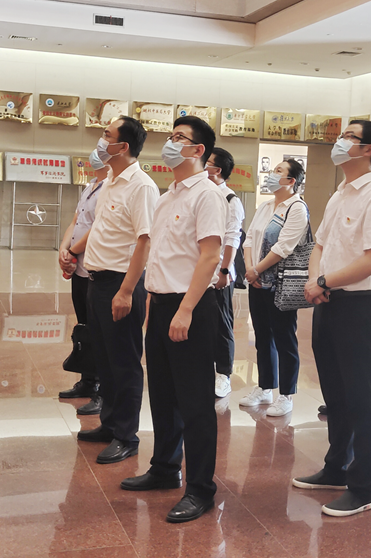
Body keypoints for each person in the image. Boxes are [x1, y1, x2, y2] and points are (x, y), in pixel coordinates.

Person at [121, 115, 226, 523]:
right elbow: (162, 257)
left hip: (191, 306)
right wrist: (153, 303)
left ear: (198, 150)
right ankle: (165, 467)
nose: (170, 142)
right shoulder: (167, 198)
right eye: (170, 135)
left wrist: (185, 309)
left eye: (179, 138)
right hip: (163, 304)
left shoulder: (207, 195)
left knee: (195, 402)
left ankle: (200, 489)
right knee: (163, 395)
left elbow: (210, 257)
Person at [291, 119, 371, 517]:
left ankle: (361, 486)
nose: (340, 142)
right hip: (329, 300)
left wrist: (323, 281)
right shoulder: (340, 193)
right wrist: (316, 281)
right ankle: (335, 467)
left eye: (349, 137)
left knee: (361, 397)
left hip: (361, 304)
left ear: (368, 149)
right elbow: (320, 243)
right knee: (334, 394)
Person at [73, 116, 157, 466]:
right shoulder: (109, 180)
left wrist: (126, 291)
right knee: (105, 359)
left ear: (122, 146)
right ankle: (109, 424)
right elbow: (101, 228)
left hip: (121, 284)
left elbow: (145, 241)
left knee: (124, 363)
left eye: (106, 135)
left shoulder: (141, 187)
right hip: (97, 281)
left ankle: (126, 436)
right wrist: (74, 253)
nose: (100, 140)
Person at [240, 159, 309, 417]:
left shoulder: (296, 208)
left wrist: (256, 269)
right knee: (262, 336)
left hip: (281, 283)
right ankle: (265, 387)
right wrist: (250, 269)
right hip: (257, 280)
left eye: (278, 171)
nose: (272, 174)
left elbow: (283, 247)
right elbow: (249, 239)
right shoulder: (266, 206)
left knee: (284, 337)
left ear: (291, 181)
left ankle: (286, 395)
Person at [57, 155, 111, 414]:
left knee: (100, 329)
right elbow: (75, 221)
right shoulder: (90, 187)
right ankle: (87, 381)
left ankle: (102, 388)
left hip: (95, 266)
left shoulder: (111, 188)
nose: (95, 156)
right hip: (79, 266)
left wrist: (73, 251)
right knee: (84, 327)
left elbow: (98, 227)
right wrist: (63, 249)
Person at [205, 147, 245, 400]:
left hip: (219, 273)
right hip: (199, 271)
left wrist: (224, 271)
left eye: (207, 162)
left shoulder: (230, 200)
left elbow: (232, 239)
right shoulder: (204, 195)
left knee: (222, 324)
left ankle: (224, 374)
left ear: (217, 170)